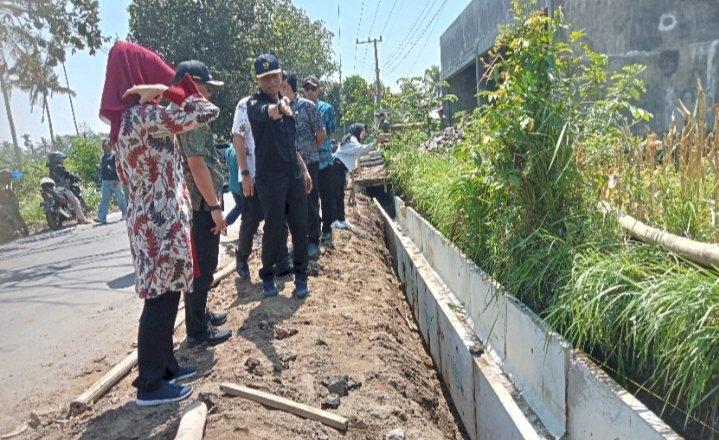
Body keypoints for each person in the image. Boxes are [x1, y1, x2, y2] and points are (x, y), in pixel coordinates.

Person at [99, 41, 219, 406]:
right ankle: (150, 383)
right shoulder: (143, 118)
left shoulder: (127, 121)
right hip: (160, 225)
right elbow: (206, 110)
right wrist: (169, 89)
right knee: (160, 301)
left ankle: (166, 366)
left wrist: (161, 91)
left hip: (151, 221)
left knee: (164, 297)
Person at [172, 60, 232, 348]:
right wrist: (215, 208)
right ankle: (196, 330)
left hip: (199, 203)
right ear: (192, 84)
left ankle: (200, 314)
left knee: (203, 266)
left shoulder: (181, 114)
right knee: (202, 267)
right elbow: (197, 166)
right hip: (199, 205)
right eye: (206, 87)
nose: (209, 93)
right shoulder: (189, 115)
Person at [247, 54, 312, 299]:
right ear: (258, 80)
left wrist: (304, 170)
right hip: (270, 181)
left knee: (300, 227)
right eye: (265, 78)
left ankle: (302, 278)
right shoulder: (253, 104)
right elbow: (268, 112)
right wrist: (279, 108)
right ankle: (267, 276)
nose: (271, 82)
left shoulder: (288, 103)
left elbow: (291, 144)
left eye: (274, 76)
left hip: (293, 178)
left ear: (281, 75)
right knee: (274, 231)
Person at [231, 96, 292, 281]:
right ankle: (242, 257)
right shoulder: (246, 105)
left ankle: (281, 261)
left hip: (276, 177)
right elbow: (238, 138)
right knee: (251, 220)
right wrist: (245, 173)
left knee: (279, 221)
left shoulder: (283, 104)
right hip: (254, 176)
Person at [283, 71, 325, 260]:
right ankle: (299, 241)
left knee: (310, 202)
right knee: (294, 205)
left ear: (288, 87)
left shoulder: (307, 107)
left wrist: (311, 150)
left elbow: (321, 133)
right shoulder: (280, 108)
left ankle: (313, 241)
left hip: (309, 161)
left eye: (280, 85)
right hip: (289, 165)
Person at [331, 123, 387, 229]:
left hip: (340, 169)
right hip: (337, 168)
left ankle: (341, 219)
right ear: (358, 131)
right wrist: (376, 142)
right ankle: (335, 220)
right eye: (363, 131)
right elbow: (361, 149)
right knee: (336, 196)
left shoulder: (352, 139)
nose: (364, 134)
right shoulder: (352, 140)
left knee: (340, 195)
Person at [301, 75, 336, 246]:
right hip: (309, 162)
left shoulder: (327, 109)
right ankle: (315, 230)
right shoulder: (299, 108)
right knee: (311, 199)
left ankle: (327, 230)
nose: (309, 92)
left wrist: (317, 143)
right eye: (306, 88)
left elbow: (329, 132)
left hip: (324, 160)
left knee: (327, 196)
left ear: (319, 89)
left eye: (312, 88)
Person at [47, 151, 90, 224]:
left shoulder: (51, 168)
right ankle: (81, 219)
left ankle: (62, 218)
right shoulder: (59, 167)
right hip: (62, 188)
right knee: (76, 201)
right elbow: (67, 174)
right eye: (61, 158)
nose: (62, 160)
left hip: (54, 189)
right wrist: (75, 177)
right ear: (57, 159)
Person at [94, 139, 127, 224]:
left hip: (114, 181)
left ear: (110, 146)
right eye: (103, 146)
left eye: (105, 146)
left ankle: (126, 214)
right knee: (104, 199)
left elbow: (119, 167)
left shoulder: (114, 155)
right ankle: (101, 217)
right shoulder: (103, 157)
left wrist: (117, 178)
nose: (104, 148)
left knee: (120, 198)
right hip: (105, 181)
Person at [223, 143, 243, 226]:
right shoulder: (238, 152)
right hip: (240, 184)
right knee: (249, 207)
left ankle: (225, 223)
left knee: (240, 206)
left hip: (232, 184)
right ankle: (249, 228)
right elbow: (240, 168)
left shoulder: (229, 151)